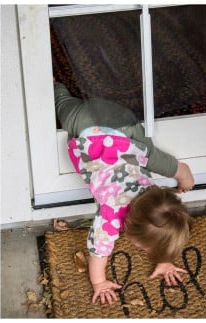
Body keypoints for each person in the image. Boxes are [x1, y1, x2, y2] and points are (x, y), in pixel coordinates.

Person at [54, 79, 195, 305]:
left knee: (152, 156)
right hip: (84, 124)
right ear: (127, 225)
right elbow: (99, 251)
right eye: (143, 247)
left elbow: (165, 229)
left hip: (124, 126)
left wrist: (165, 260)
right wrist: (99, 282)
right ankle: (57, 87)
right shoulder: (110, 215)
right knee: (63, 105)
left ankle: (181, 172)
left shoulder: (153, 193)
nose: (143, 250)